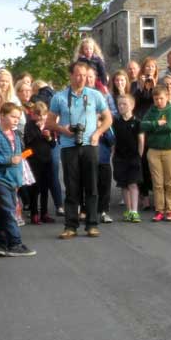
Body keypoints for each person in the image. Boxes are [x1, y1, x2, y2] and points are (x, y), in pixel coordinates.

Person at [48, 60, 111, 238]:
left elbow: (108, 119)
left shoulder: (95, 95)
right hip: (69, 147)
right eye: (78, 75)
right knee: (71, 187)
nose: (82, 78)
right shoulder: (59, 97)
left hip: (90, 145)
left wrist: (98, 133)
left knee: (91, 186)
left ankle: (92, 224)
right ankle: (70, 226)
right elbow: (49, 122)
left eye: (84, 75)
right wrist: (63, 129)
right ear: (71, 75)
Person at [0, 102, 35, 257]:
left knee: (2, 212)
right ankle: (15, 243)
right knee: (9, 211)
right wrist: (7, 159)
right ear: (2, 116)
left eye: (18, 117)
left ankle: (0, 244)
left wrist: (19, 180)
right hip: (0, 178)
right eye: (13, 116)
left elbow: (19, 159)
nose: (16, 120)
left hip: (12, 179)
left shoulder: (15, 133)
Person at [141, 83, 171, 221]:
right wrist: (156, 124)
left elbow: (170, 127)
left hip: (169, 150)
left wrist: (152, 128)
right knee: (157, 183)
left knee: (170, 181)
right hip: (154, 151)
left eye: (161, 98)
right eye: (156, 99)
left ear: (167, 97)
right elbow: (142, 125)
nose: (159, 101)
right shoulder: (151, 111)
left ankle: (170, 209)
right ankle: (159, 209)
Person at [109, 94, 143, 222]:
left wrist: (139, 155)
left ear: (132, 106)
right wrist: (113, 154)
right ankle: (128, 210)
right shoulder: (116, 123)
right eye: (119, 104)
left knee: (133, 183)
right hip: (120, 157)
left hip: (133, 157)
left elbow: (141, 140)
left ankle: (134, 211)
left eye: (125, 104)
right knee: (123, 184)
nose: (121, 106)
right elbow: (114, 140)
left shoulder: (137, 122)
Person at [22, 100, 56, 225]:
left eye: (43, 115)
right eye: (38, 115)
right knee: (34, 188)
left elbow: (53, 144)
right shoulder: (30, 125)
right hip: (34, 160)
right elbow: (29, 141)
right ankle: (34, 213)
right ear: (33, 115)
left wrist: (49, 137)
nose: (41, 118)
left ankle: (45, 213)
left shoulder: (48, 125)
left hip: (46, 159)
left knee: (45, 187)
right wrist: (41, 134)